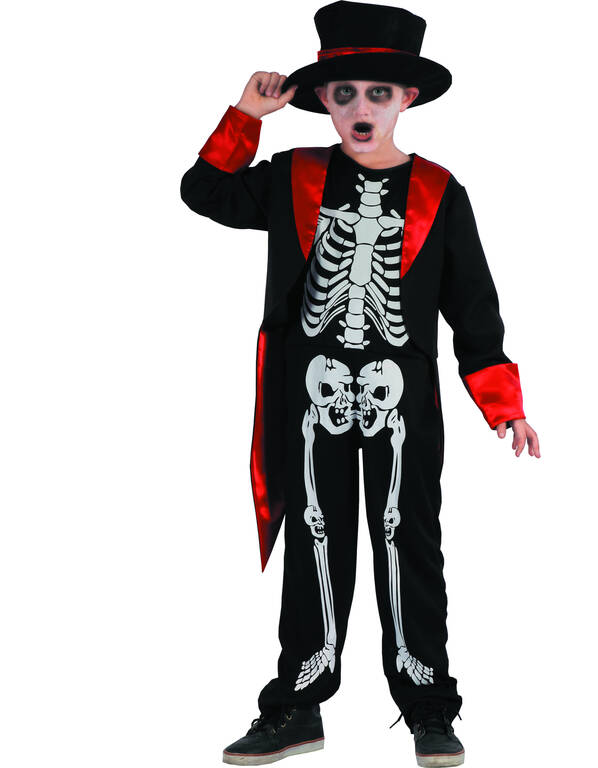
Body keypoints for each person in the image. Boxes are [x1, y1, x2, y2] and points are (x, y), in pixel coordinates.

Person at [180, 2, 539, 765]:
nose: (361, 108)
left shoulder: (440, 191)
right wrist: (245, 117)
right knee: (316, 540)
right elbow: (205, 192)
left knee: (410, 541)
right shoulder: (294, 176)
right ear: (322, 99)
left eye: (378, 93)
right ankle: (297, 704)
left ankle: (429, 705)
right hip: (309, 397)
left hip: (401, 402)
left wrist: (503, 405)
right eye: (344, 93)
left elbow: (474, 310)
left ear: (406, 98)